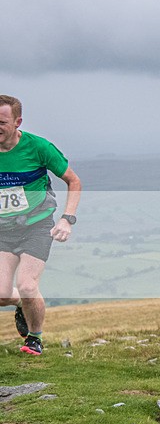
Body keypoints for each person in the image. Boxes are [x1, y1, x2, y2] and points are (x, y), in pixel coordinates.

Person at [0, 95, 82, 356]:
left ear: (17, 122)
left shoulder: (39, 148)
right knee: (2, 294)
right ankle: (24, 305)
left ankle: (34, 338)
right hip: (3, 228)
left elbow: (74, 181)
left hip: (36, 224)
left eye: (1, 122)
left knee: (26, 285)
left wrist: (67, 219)